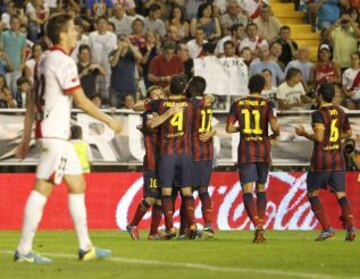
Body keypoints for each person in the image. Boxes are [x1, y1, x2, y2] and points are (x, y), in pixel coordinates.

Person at [14, 13, 122, 263]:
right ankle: (24, 250)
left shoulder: (42, 60)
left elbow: (32, 100)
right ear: (62, 34)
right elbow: (81, 100)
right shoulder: (63, 61)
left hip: (54, 135)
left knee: (77, 185)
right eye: (73, 29)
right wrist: (109, 121)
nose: (77, 32)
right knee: (42, 187)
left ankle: (86, 247)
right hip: (55, 136)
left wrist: (26, 137)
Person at [133, 75, 213, 239]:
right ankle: (192, 226)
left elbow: (136, 107)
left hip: (167, 154)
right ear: (184, 89)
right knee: (186, 191)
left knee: (166, 192)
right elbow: (209, 99)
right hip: (185, 154)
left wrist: (152, 104)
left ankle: (170, 227)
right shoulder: (191, 103)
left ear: (169, 87)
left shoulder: (159, 104)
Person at [295, 83, 356, 241]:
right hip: (337, 158)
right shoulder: (340, 111)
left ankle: (327, 229)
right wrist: (334, 138)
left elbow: (320, 138)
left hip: (322, 159)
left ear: (320, 96)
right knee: (341, 194)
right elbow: (348, 133)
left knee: (312, 193)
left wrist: (303, 134)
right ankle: (350, 227)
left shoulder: (318, 113)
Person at [226, 74, 280, 243]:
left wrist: (242, 129)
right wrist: (275, 133)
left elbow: (228, 128)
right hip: (263, 150)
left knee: (248, 190)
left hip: (246, 151)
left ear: (248, 86)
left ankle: (257, 225)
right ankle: (261, 223)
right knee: (261, 189)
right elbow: (274, 126)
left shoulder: (238, 104)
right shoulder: (267, 104)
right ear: (263, 87)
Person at [126, 86, 179, 240]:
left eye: (160, 93)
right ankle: (133, 224)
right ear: (149, 98)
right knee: (151, 196)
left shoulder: (167, 112)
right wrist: (167, 112)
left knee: (161, 199)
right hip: (152, 161)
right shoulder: (149, 113)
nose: (158, 95)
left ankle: (153, 232)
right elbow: (148, 119)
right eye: (154, 94)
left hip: (166, 160)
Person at [186, 76, 216, 238]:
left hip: (193, 151)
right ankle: (208, 225)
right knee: (203, 190)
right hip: (208, 152)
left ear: (191, 88)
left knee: (188, 191)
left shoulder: (190, 104)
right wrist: (211, 132)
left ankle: (191, 226)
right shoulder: (208, 102)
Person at [109, 35, 142, 108]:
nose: (122, 42)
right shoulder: (112, 53)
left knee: (132, 111)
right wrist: (119, 50)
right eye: (120, 40)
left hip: (130, 88)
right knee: (115, 111)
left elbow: (140, 57)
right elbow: (113, 63)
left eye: (124, 40)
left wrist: (129, 44)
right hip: (115, 89)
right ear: (117, 42)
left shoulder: (131, 53)